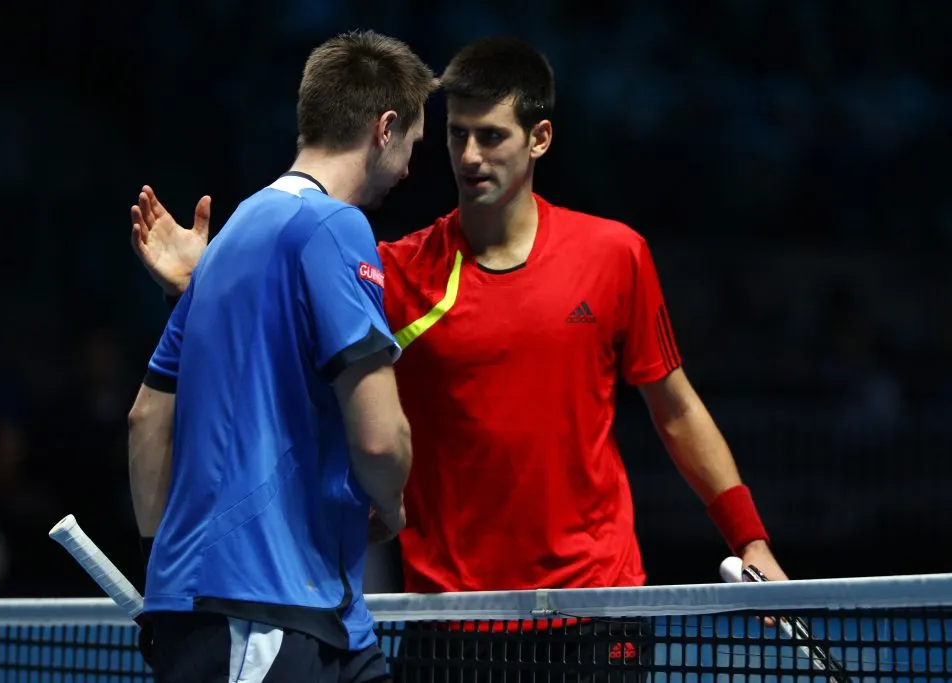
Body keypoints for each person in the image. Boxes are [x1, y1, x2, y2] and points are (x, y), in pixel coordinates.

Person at [131, 36, 787, 680]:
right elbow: (268, 332)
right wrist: (199, 284)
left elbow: (674, 409)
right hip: (453, 622)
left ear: (540, 139)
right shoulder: (390, 272)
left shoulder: (615, 255)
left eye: (492, 135)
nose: (469, 155)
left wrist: (748, 537)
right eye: (455, 135)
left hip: (597, 610)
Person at [126, 30, 435, 683]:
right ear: (385, 128)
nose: (410, 167)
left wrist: (169, 570)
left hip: (315, 616)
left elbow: (148, 419)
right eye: (412, 142)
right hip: (262, 611)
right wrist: (394, 500)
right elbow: (380, 441)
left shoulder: (229, 240)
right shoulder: (336, 226)